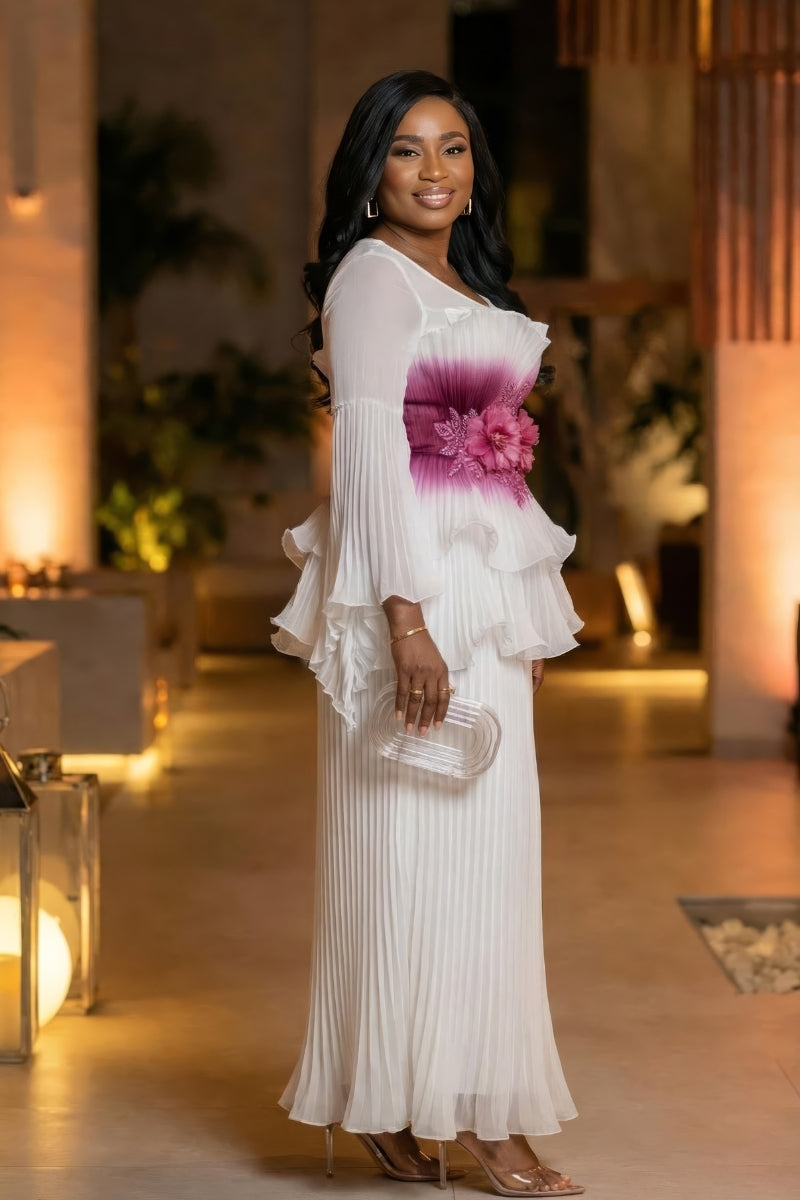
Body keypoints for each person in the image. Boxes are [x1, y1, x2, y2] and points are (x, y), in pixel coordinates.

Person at [272, 70, 584, 1198]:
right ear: (370, 169)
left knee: (485, 858)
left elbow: (494, 466)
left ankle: (419, 1101)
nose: (435, 171)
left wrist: (524, 611)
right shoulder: (369, 279)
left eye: (452, 148)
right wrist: (405, 620)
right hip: (417, 597)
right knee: (408, 848)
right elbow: (365, 462)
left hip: (479, 597)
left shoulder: (459, 276)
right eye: (407, 150)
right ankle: (463, 1122)